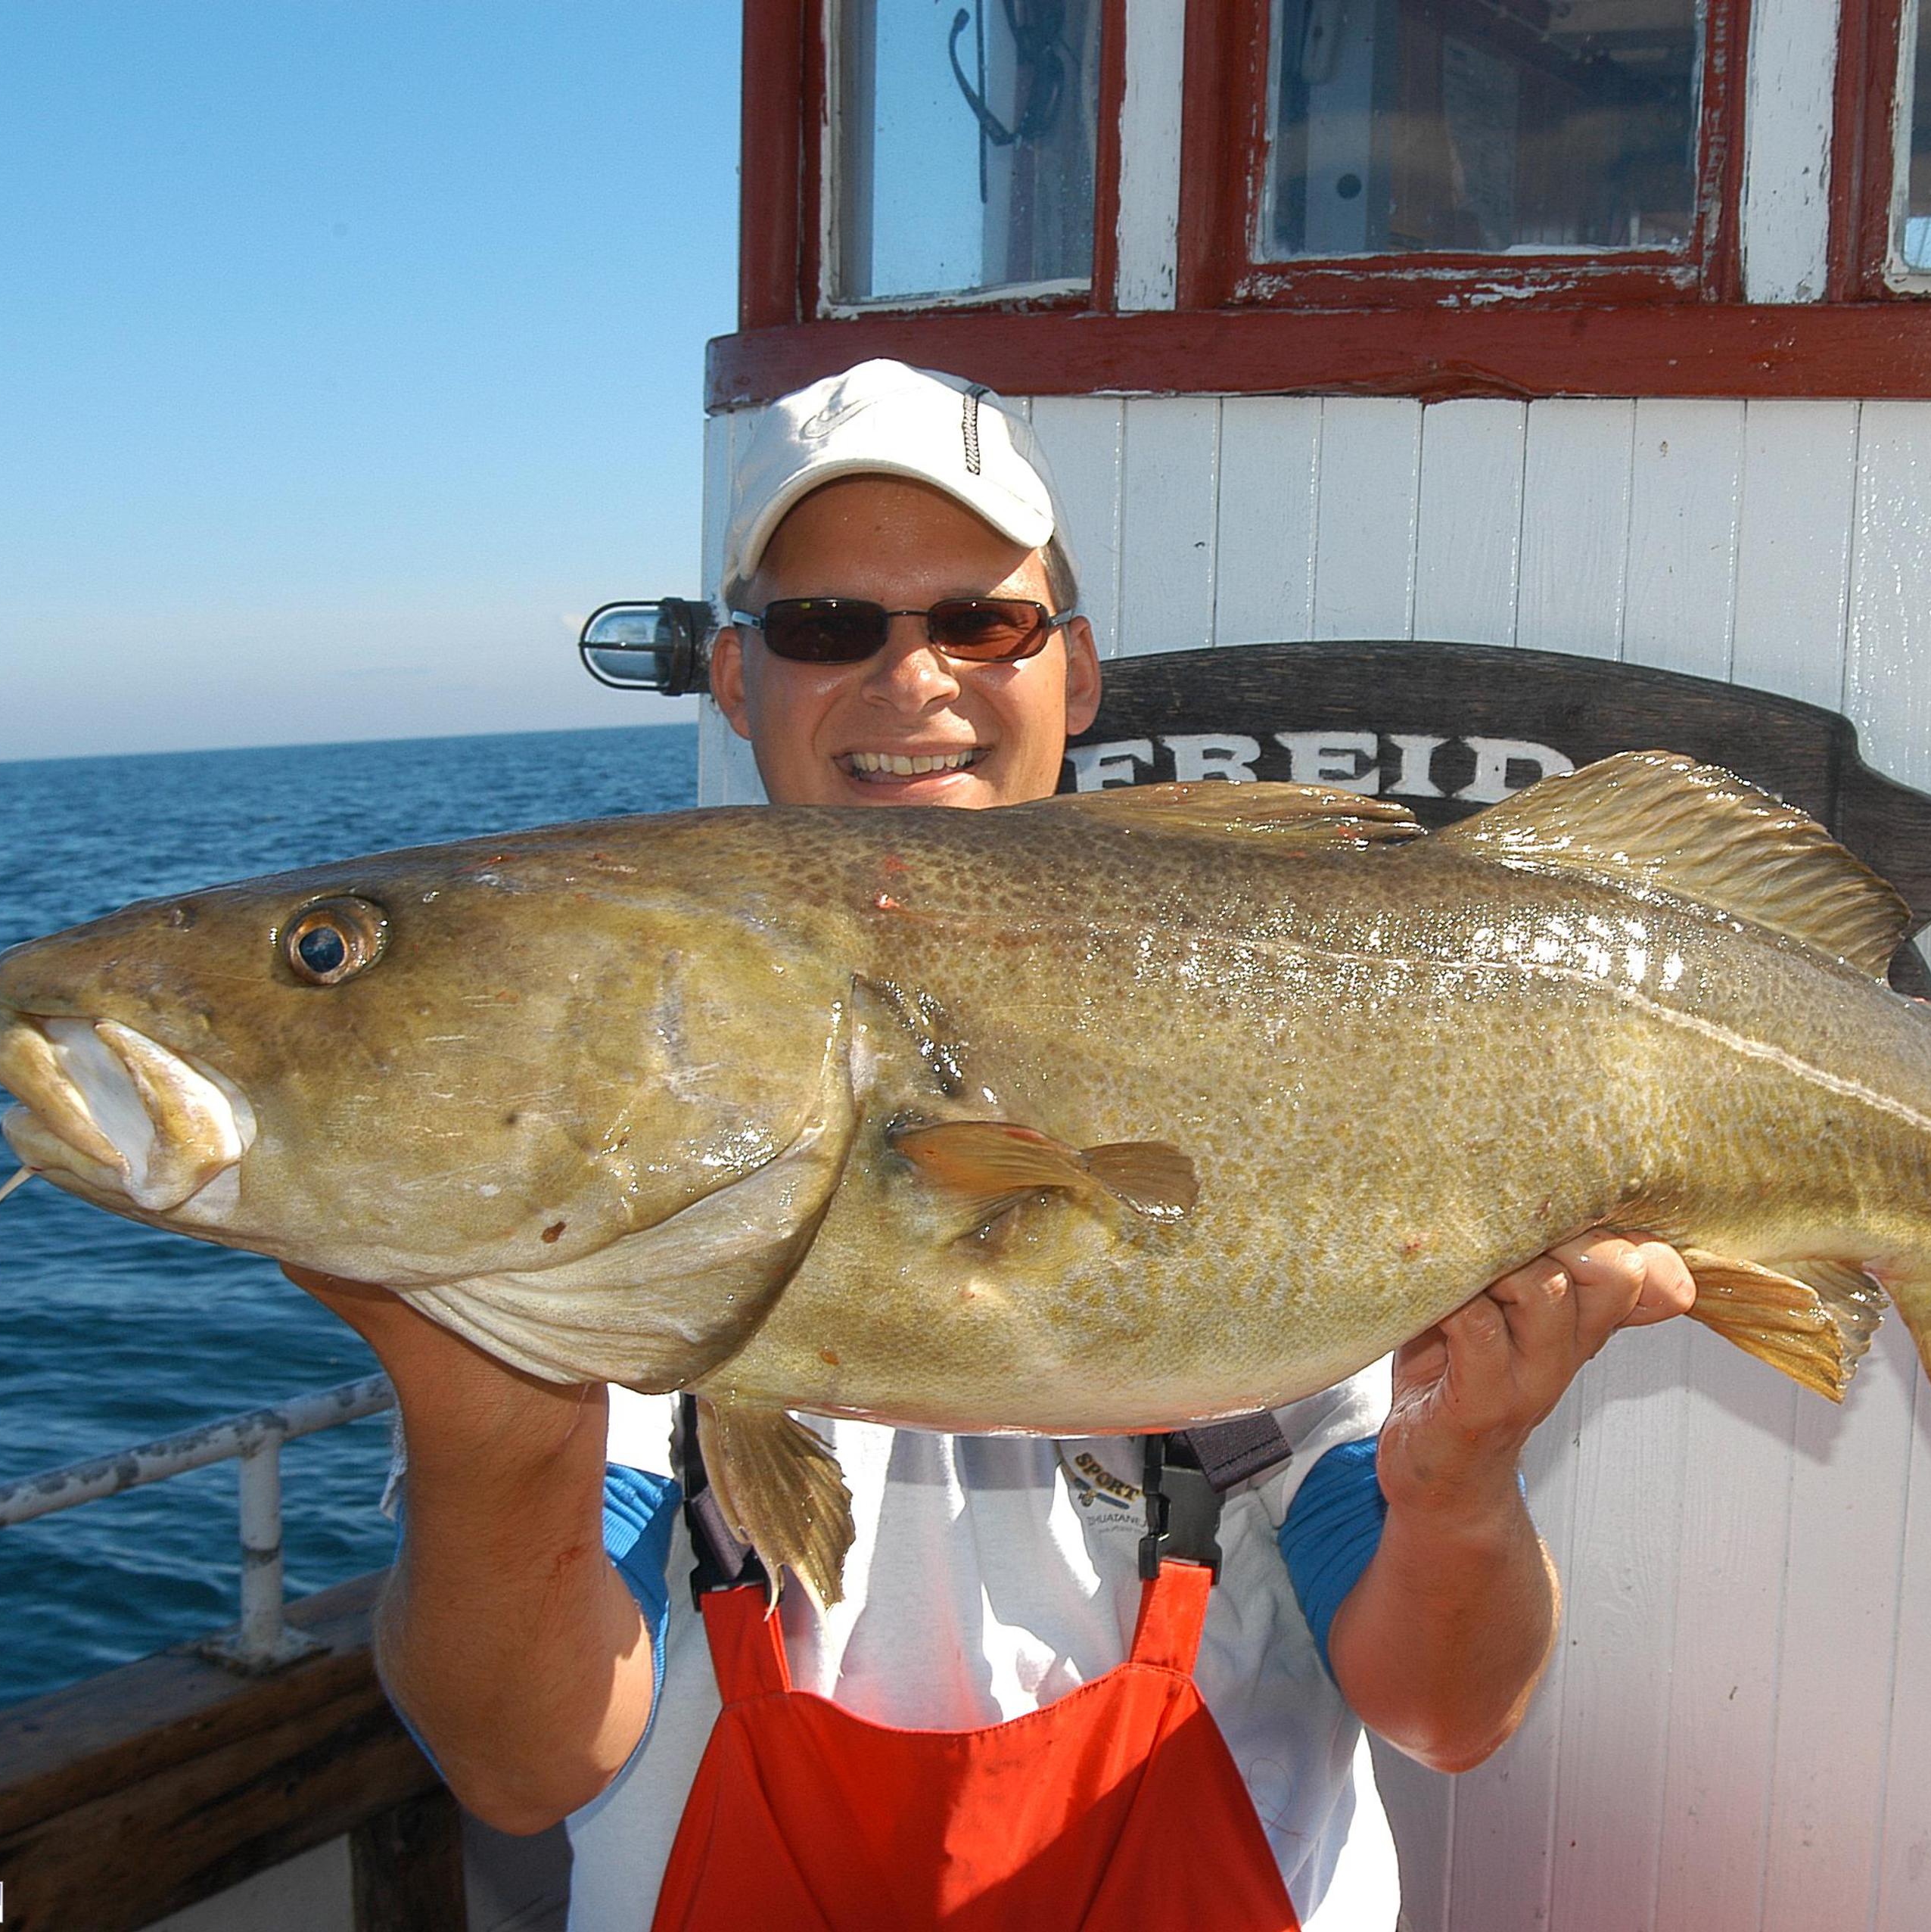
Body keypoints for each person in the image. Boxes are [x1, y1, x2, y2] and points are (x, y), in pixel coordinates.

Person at [291, 359, 1696, 1930]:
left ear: (1076, 671)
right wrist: (482, 1411)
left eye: (982, 621)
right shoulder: (621, 1111)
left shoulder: (1275, 1051)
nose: (915, 680)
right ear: (738, 681)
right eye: (830, 627)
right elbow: (528, 1758)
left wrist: (1462, 1483)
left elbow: (1448, 1711)